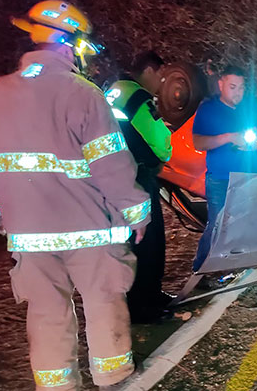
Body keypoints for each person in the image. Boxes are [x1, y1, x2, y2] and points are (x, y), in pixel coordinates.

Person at [0, 0, 150, 389]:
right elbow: (110, 163)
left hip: (30, 232)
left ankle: (57, 383)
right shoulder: (82, 93)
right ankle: (112, 376)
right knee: (103, 299)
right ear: (67, 43)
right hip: (89, 227)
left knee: (46, 311)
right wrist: (136, 212)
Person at [105, 51, 173, 323]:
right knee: (149, 240)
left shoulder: (110, 91)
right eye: (161, 75)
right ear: (148, 70)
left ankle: (144, 298)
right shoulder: (138, 98)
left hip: (113, 176)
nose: (163, 82)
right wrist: (166, 147)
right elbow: (160, 142)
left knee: (129, 242)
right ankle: (146, 304)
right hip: (139, 176)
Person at [191, 65, 257, 271]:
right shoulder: (208, 109)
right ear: (221, 84)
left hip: (250, 177)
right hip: (220, 179)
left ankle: (242, 266)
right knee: (217, 225)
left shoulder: (250, 107)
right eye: (233, 87)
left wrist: (254, 142)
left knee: (248, 223)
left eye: (241, 87)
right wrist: (228, 138)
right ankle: (201, 268)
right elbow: (198, 143)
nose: (238, 92)